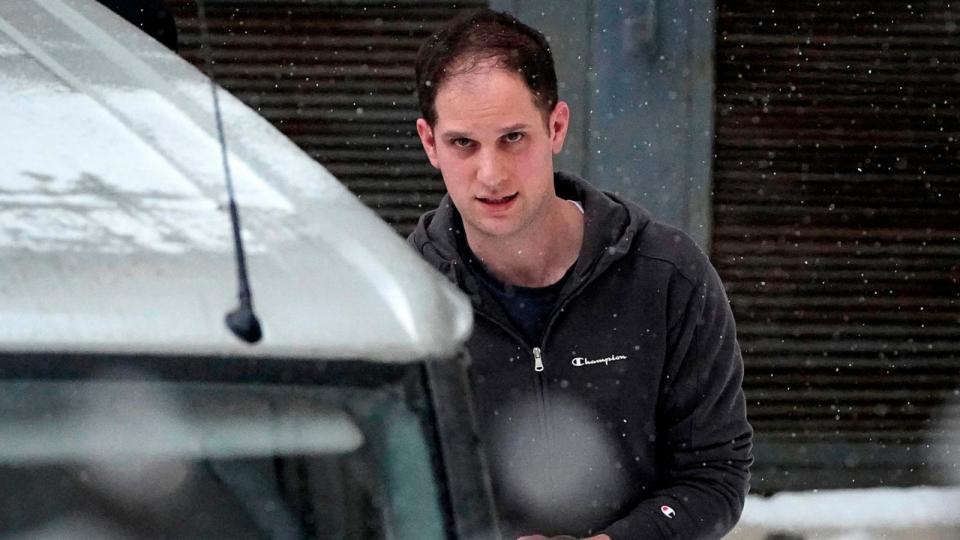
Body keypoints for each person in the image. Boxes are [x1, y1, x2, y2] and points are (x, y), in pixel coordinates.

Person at [408, 9, 752, 540]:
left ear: (557, 127)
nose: (492, 174)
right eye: (464, 144)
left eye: (513, 138)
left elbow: (714, 473)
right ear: (430, 143)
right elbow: (379, 491)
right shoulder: (404, 300)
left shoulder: (668, 278)